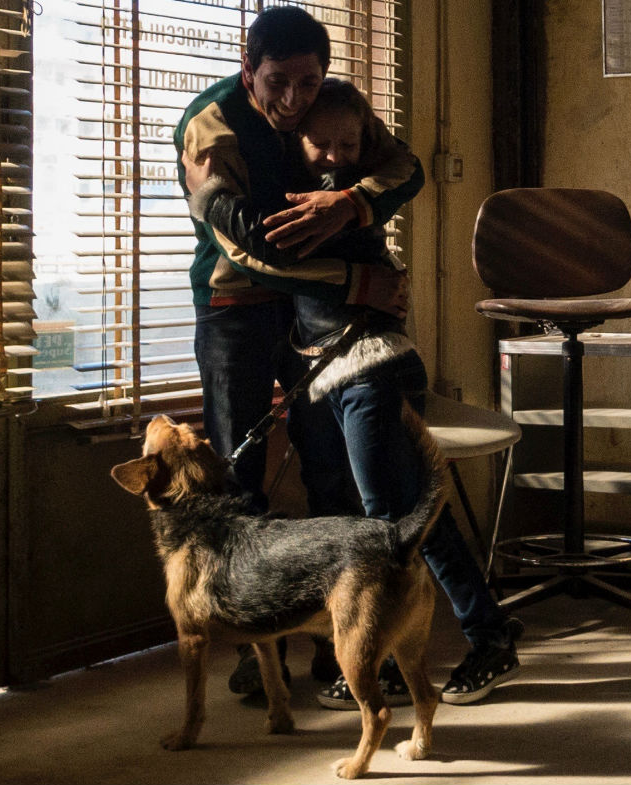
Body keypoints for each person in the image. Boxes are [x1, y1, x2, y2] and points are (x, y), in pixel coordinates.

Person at [182, 72, 522, 706]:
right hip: (339, 372)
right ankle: (466, 637)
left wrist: (209, 199)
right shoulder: (296, 182)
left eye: (348, 145)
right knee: (400, 512)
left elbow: (278, 252)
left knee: (390, 517)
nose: (335, 158)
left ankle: (472, 639)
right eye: (321, 145)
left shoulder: (334, 202)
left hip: (371, 369)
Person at [173, 6, 413, 699]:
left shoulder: (330, 107)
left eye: (308, 83)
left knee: (331, 467)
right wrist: (356, 280)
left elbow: (405, 166)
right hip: (235, 311)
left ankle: (342, 637)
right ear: (247, 67)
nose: (293, 100)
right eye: (277, 82)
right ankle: (261, 651)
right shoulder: (211, 125)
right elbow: (249, 243)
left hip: (313, 313)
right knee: (239, 482)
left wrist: (353, 204)